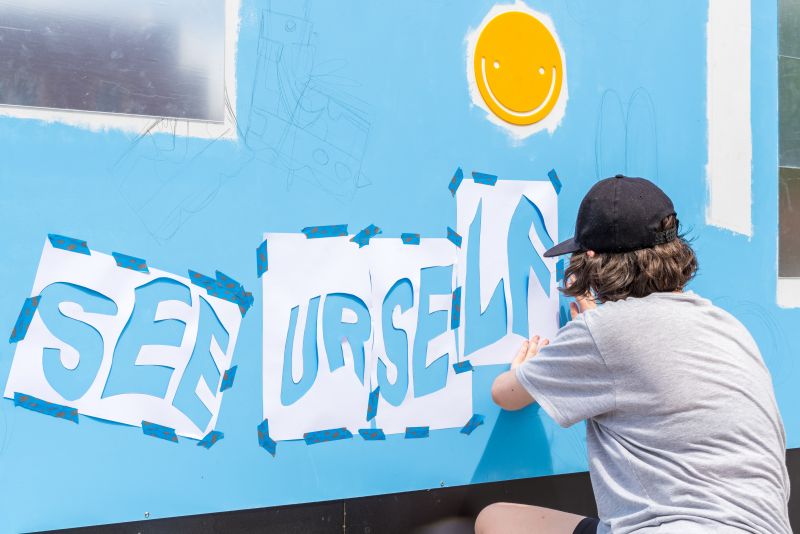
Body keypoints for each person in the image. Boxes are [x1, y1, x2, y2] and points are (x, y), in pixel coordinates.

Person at [475, 175, 791, 534]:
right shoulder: (726, 325)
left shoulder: (605, 332)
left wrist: (534, 363)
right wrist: (598, 334)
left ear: (590, 259)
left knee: (493, 519)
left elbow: (505, 395)